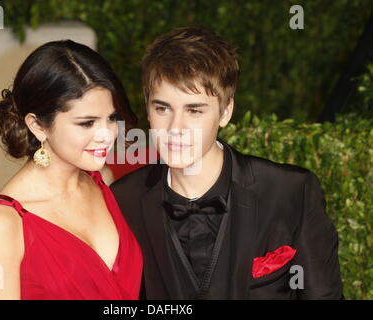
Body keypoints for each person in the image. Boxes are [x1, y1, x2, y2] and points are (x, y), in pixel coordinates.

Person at [110, 27, 343, 299]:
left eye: (194, 110)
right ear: (148, 107)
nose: (175, 127)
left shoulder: (291, 192)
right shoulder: (123, 200)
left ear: (226, 111)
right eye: (163, 108)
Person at [0, 40, 143, 300]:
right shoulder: (1, 225)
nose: (106, 135)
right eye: (86, 123)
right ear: (38, 126)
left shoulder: (102, 181)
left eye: (112, 118)